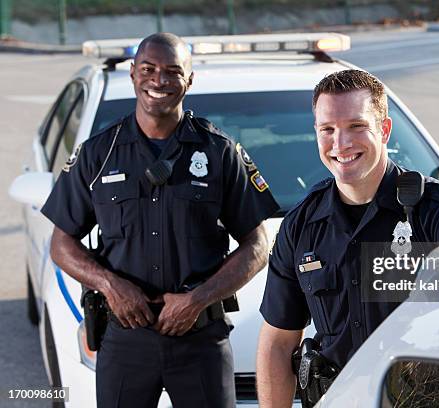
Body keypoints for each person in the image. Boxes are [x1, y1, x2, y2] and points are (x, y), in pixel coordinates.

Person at [42, 32, 279, 408]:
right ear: (134, 74)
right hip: (125, 340)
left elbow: (258, 243)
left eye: (172, 71)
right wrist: (111, 286)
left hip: (201, 340)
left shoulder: (219, 152)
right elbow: (60, 243)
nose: (159, 80)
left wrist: (197, 300)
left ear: (189, 79)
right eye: (149, 69)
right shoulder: (98, 154)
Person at [256, 69, 439, 407]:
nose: (341, 144)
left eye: (356, 126)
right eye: (328, 130)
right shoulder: (301, 225)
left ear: (383, 129)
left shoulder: (437, 213)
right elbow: (278, 342)